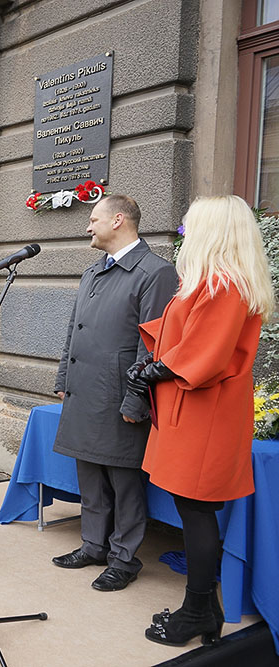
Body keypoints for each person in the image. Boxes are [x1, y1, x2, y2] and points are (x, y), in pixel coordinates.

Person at [128, 196, 274, 646]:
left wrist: (157, 368)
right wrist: (154, 363)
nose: (183, 232)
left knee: (196, 510)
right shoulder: (214, 282)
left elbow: (205, 352)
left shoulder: (224, 285)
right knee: (195, 509)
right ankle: (204, 608)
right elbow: (185, 336)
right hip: (195, 409)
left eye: (190, 225)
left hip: (203, 412)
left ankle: (197, 612)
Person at [49, 195, 178, 592]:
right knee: (89, 474)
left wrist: (135, 400)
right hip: (85, 392)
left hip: (119, 395)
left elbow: (152, 345)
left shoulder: (155, 272)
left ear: (118, 220)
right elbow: (75, 330)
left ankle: (124, 557)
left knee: (124, 483)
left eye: (93, 219)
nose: (88, 226)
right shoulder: (93, 272)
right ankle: (93, 545)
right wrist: (63, 380)